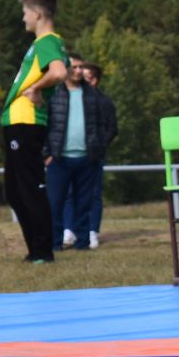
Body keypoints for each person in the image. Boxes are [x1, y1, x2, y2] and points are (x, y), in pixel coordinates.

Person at [0, 0, 69, 264]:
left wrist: (36, 88)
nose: (23, 18)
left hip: (26, 122)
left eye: (25, 12)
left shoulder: (47, 41)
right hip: (17, 122)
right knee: (15, 191)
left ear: (38, 14)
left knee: (29, 188)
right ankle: (35, 251)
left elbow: (59, 72)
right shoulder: (42, 42)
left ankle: (42, 251)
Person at [47, 55, 117, 252]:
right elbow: (46, 126)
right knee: (55, 203)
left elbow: (105, 126)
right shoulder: (53, 94)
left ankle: (83, 242)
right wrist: (47, 153)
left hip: (88, 158)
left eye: (80, 67)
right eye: (74, 67)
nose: (78, 71)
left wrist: (98, 149)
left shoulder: (94, 96)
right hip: (59, 159)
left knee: (84, 202)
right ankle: (55, 243)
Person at [79, 62, 115, 247]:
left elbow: (112, 128)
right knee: (71, 195)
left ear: (94, 80)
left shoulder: (104, 102)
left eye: (85, 77)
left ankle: (93, 231)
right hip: (73, 154)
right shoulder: (74, 98)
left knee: (94, 194)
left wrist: (99, 147)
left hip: (94, 156)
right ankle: (71, 230)